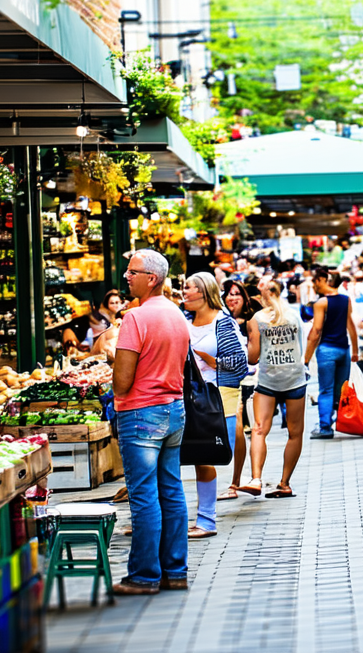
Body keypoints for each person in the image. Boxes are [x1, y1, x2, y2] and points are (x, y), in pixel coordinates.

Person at [110, 249, 191, 595]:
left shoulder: (135, 318)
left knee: (143, 496)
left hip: (141, 413)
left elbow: (122, 381)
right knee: (171, 490)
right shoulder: (176, 314)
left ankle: (144, 575)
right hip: (174, 409)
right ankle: (175, 570)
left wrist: (113, 360)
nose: (126, 277)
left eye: (133, 272)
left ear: (152, 278)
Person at [180, 272, 248, 537]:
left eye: (189, 288)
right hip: (186, 395)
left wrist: (212, 362)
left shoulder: (223, 324)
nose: (184, 293)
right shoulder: (183, 321)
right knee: (181, 455)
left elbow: (241, 364)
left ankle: (206, 520)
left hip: (216, 396)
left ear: (204, 292)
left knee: (205, 456)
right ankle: (171, 519)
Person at [243, 277, 308, 498]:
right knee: (295, 433)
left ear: (261, 295)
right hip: (295, 380)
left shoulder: (256, 319)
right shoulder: (294, 316)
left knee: (259, 429)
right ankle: (284, 482)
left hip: (268, 382)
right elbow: (302, 345)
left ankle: (256, 479)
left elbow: (252, 358)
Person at [303, 266, 359, 439]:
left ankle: (325, 427)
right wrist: (355, 350)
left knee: (326, 390)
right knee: (339, 390)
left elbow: (316, 330)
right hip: (344, 350)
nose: (314, 286)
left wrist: (306, 358)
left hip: (327, 350)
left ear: (321, 280)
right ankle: (337, 419)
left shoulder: (321, 303)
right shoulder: (345, 300)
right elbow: (351, 325)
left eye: (315, 282)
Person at [223, 280, 257, 499]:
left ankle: (240, 481)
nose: (232, 297)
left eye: (237, 293)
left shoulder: (252, 321)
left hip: (250, 381)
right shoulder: (221, 322)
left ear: (245, 297)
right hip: (226, 380)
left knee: (245, 430)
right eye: (229, 293)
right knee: (237, 430)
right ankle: (237, 481)